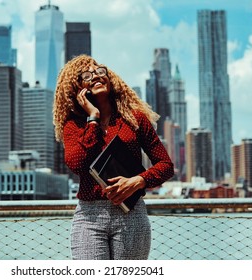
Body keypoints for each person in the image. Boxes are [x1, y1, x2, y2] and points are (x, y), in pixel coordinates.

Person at [53, 54, 174, 260]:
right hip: (90, 218)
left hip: (131, 215)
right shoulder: (74, 125)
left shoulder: (134, 118)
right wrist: (93, 118)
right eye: (88, 75)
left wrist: (138, 181)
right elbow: (77, 163)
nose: (97, 76)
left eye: (100, 71)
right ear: (77, 87)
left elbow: (166, 165)